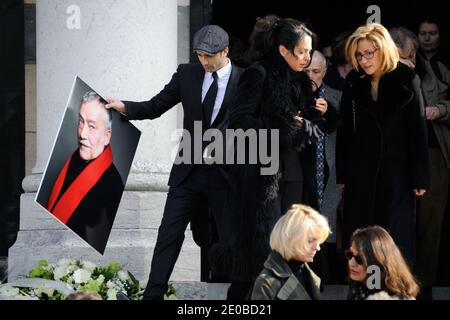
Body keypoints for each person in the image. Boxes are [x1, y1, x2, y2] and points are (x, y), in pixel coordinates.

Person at [105, 25, 243, 300]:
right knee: (169, 232)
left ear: (225, 52)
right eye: (200, 55)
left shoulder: (245, 79)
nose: (203, 61)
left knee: (231, 238)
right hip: (188, 171)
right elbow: (156, 106)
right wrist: (126, 107)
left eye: (209, 56)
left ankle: (237, 297)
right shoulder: (187, 74)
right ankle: (153, 295)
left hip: (226, 174)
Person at [210, 15, 328, 299]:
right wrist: (285, 125)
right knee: (261, 249)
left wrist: (312, 117)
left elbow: (293, 119)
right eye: (301, 52)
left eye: (309, 51)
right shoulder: (258, 73)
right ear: (283, 50)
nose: (306, 57)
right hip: (261, 172)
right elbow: (239, 121)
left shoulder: (297, 80)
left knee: (293, 239)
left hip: (292, 169)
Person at [336, 23, 430, 264]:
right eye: (359, 54)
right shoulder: (354, 80)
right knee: (360, 236)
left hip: (397, 172)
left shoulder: (407, 78)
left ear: (384, 49)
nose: (364, 60)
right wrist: (342, 174)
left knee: (394, 237)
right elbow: (345, 130)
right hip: (361, 171)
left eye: (370, 53)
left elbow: (417, 131)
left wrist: (420, 176)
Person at [46, 91, 124, 254]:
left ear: (107, 136)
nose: (82, 134)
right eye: (81, 122)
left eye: (92, 126)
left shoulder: (113, 184)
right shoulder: (72, 161)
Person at [304, 51, 344, 284]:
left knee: (329, 229)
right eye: (306, 71)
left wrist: (329, 111)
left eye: (316, 72)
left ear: (325, 72)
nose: (311, 76)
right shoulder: (294, 95)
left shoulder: (337, 97)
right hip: (303, 173)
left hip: (330, 172)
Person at [251, 204, 330, 300]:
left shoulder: (308, 274)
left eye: (318, 242)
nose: (317, 248)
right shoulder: (266, 283)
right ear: (291, 239)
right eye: (310, 240)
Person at [346, 225, 419, 300]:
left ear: (377, 261)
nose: (351, 263)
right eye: (350, 254)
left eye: (359, 258)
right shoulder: (357, 290)